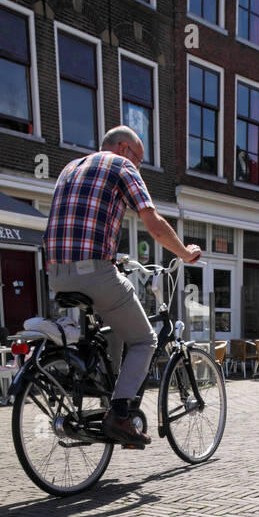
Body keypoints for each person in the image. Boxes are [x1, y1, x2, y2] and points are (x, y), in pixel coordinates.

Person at [42, 126, 201, 448]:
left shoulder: (69, 168)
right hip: (93, 272)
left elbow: (80, 223)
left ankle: (106, 395)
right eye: (140, 160)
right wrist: (185, 254)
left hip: (56, 274)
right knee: (145, 339)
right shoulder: (121, 165)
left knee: (113, 328)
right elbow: (154, 225)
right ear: (124, 148)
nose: (138, 167)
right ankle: (119, 416)